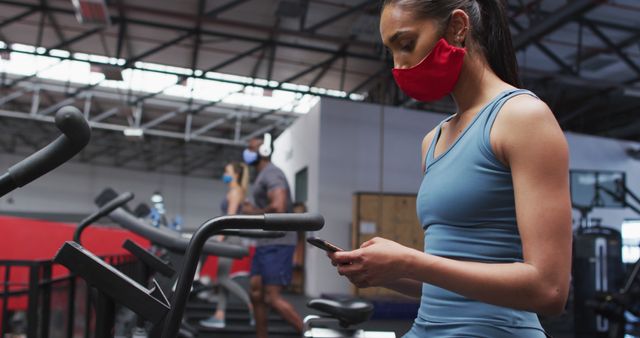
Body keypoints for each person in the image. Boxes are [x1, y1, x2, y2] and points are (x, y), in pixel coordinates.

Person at [328, 1, 572, 337]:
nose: (398, 65)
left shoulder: (523, 118)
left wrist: (410, 260)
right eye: (391, 52)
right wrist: (387, 270)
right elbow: (447, 282)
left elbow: (550, 291)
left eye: (406, 44)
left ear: (457, 27)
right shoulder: (433, 140)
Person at [241, 134, 302, 338]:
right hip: (264, 241)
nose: (247, 153)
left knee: (271, 297)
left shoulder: (272, 173)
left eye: (251, 149)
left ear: (263, 152)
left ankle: (312, 333)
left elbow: (279, 206)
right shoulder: (262, 175)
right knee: (256, 292)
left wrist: (251, 212)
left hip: (278, 241)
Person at [199, 162, 254, 329]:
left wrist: (220, 237)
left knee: (222, 278)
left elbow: (229, 218)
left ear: (236, 174)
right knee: (221, 277)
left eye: (227, 171)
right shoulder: (233, 191)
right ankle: (219, 315)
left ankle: (252, 306)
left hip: (230, 237)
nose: (225, 173)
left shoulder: (236, 191)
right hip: (229, 236)